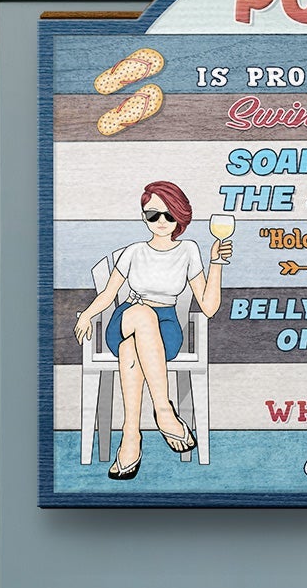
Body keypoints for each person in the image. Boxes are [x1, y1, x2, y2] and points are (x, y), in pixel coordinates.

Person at [73, 181, 230, 479]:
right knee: (141, 314)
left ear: (180, 215)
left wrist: (216, 262)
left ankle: (130, 436)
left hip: (165, 327)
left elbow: (209, 308)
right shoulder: (134, 251)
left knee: (131, 349)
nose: (161, 221)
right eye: (152, 214)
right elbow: (109, 293)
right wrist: (88, 315)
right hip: (126, 318)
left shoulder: (189, 250)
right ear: (144, 216)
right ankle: (165, 412)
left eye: (168, 215)